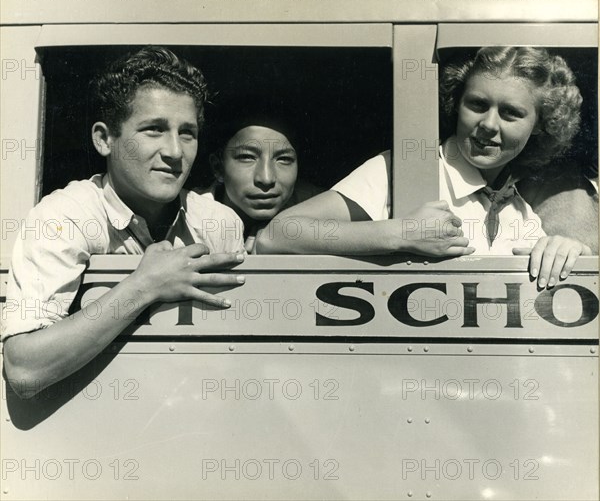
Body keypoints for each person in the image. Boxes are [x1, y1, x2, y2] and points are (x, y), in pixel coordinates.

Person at [2, 47, 246, 399]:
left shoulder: (219, 223)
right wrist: (144, 285)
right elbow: (24, 369)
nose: (175, 152)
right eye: (154, 129)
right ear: (104, 139)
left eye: (187, 133)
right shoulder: (63, 216)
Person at [256, 46, 593, 287]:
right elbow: (275, 236)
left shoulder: (521, 212)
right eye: (477, 104)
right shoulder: (403, 169)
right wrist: (402, 233)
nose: (488, 124)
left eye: (510, 113)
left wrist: (565, 249)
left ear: (539, 124)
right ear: (456, 104)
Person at [195, 98, 321, 252]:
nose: (266, 178)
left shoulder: (316, 202)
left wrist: (280, 228)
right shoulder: (189, 217)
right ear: (218, 168)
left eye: (284, 159)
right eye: (247, 157)